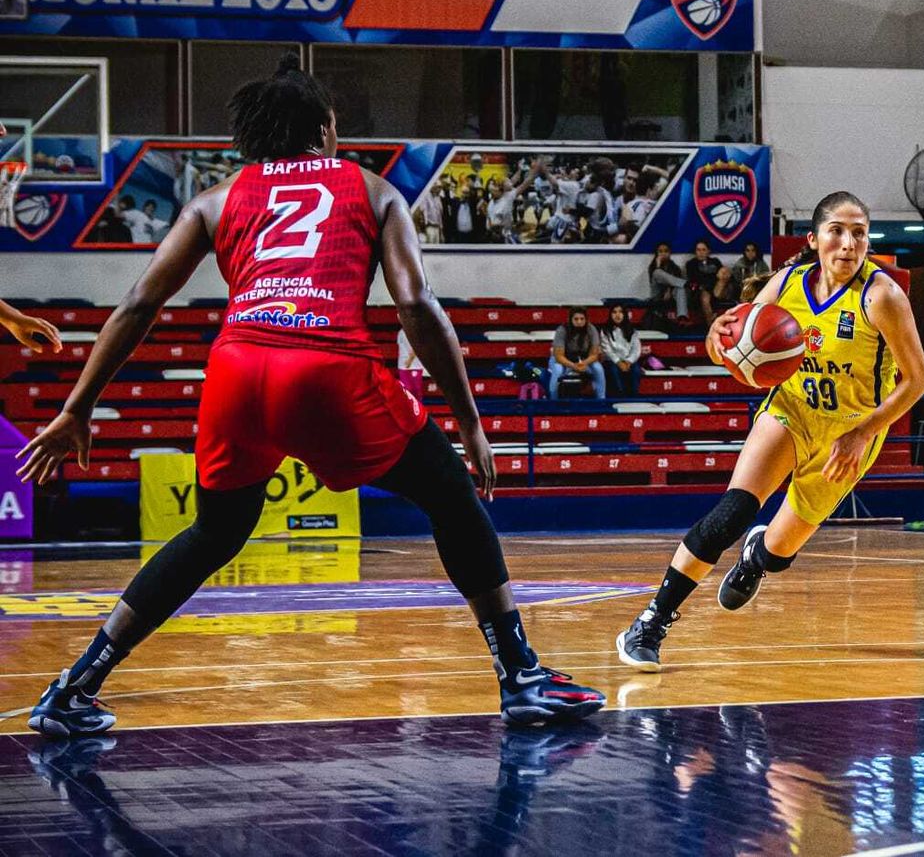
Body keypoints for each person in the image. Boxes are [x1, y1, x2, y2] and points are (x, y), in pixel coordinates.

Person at [17, 55, 603, 738]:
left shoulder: (215, 198)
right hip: (325, 365)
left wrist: (78, 406)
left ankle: (74, 684)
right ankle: (521, 675)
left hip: (236, 370)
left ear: (252, 138)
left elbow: (141, 300)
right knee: (448, 492)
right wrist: (470, 421)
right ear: (325, 129)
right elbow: (416, 303)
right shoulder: (372, 188)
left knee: (216, 530)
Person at [616, 191, 924, 671]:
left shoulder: (882, 296)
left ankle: (757, 558)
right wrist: (716, 336)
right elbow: (726, 343)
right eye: (837, 231)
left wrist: (862, 432)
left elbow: (918, 380)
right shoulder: (786, 283)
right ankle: (652, 621)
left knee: (781, 549)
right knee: (731, 511)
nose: (849, 243)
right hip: (789, 412)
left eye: (859, 233)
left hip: (850, 434)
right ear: (814, 239)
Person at [548, 307, 606, 399]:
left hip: (583, 360)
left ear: (586, 319)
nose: (579, 322)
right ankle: (553, 400)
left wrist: (584, 363)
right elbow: (559, 356)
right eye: (576, 319)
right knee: (558, 370)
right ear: (570, 319)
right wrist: (573, 366)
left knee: (598, 368)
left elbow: (594, 354)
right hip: (563, 360)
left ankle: (601, 399)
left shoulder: (591, 329)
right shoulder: (562, 330)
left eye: (582, 319)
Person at [598, 304, 643, 399]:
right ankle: (619, 396)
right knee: (613, 370)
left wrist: (628, 361)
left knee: (636, 371)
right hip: (612, 361)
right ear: (610, 314)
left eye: (620, 312)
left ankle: (633, 398)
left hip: (628, 361)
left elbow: (636, 349)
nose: (617, 315)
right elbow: (607, 350)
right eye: (614, 312)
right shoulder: (605, 331)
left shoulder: (632, 331)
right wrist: (618, 362)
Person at [685, 239, 723, 327]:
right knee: (705, 296)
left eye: (703, 250)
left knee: (725, 273)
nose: (701, 252)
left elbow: (722, 277)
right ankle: (711, 324)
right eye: (698, 250)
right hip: (700, 291)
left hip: (718, 290)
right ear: (695, 252)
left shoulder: (715, 262)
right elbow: (695, 280)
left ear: (708, 251)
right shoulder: (691, 264)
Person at [648, 243, 689, 322]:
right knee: (657, 272)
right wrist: (658, 266)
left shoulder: (675, 267)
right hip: (657, 294)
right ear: (657, 253)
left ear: (670, 253)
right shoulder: (652, 267)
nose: (663, 254)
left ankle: (682, 317)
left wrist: (669, 290)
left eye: (666, 251)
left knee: (681, 288)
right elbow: (655, 282)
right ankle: (686, 283)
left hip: (671, 295)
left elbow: (676, 282)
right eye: (660, 251)